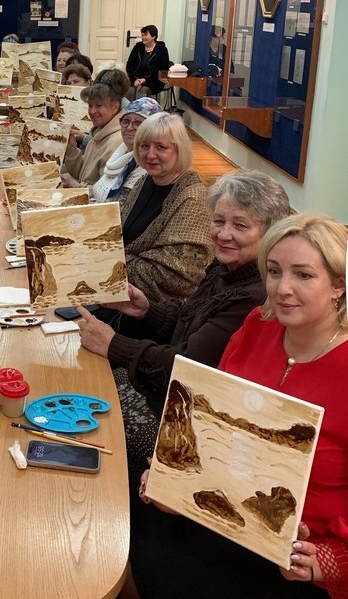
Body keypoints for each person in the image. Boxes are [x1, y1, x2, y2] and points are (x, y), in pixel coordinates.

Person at [132, 213, 348, 599]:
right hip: (217, 512)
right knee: (111, 522)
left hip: (291, 556)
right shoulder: (257, 325)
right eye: (274, 271)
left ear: (339, 285)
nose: (282, 288)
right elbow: (210, 421)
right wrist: (174, 480)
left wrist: (331, 561)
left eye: (303, 275)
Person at [79, 170, 291, 473]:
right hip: (165, 394)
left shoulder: (254, 296)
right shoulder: (225, 268)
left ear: (270, 232)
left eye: (240, 225)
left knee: (89, 420)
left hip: (183, 418)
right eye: (219, 221)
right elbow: (193, 325)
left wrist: (113, 344)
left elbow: (186, 370)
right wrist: (146, 310)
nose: (224, 234)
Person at [117, 111, 212, 301]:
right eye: (145, 146)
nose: (150, 155)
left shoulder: (194, 200)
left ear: (179, 150)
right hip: (123, 291)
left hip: (159, 309)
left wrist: (114, 261)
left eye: (161, 147)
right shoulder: (144, 182)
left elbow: (179, 277)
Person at [90, 97, 162, 203]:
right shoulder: (120, 154)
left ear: (153, 129)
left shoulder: (147, 166)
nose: (129, 127)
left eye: (138, 123)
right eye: (126, 121)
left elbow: (122, 207)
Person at [60, 81, 123, 190]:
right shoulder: (99, 132)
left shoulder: (117, 141)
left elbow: (104, 191)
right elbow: (81, 173)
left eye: (99, 106)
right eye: (90, 106)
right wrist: (72, 148)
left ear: (115, 107)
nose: (92, 111)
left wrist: (72, 184)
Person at [125, 25, 170, 100]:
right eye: (142, 35)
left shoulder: (162, 49)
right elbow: (130, 65)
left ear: (153, 36)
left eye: (146, 35)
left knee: (142, 92)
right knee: (130, 91)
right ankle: (131, 108)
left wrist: (145, 79)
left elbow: (162, 69)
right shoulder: (138, 47)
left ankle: (139, 108)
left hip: (154, 81)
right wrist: (135, 79)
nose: (143, 37)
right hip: (136, 79)